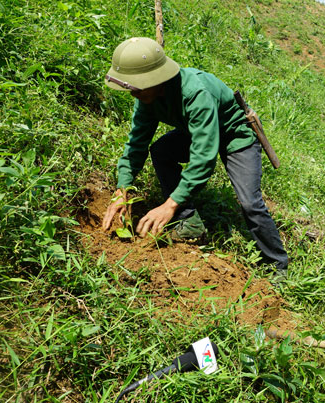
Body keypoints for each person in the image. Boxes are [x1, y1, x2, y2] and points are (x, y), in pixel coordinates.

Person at [101, 37, 288, 275]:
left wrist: (169, 205)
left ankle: (277, 265)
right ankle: (189, 222)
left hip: (233, 133)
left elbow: (203, 158)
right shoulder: (145, 98)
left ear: (155, 79)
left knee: (251, 204)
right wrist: (122, 189)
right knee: (160, 150)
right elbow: (136, 143)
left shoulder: (195, 93)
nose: (132, 94)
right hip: (198, 130)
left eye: (136, 87)